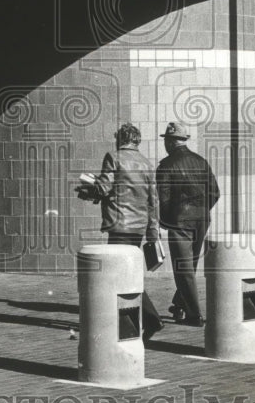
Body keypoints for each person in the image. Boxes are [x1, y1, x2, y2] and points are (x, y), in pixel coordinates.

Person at [92, 122, 165, 344]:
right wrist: (153, 231)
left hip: (119, 224)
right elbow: (154, 201)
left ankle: (149, 318)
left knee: (119, 274)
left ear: (121, 138)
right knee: (128, 273)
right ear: (137, 140)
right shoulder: (146, 163)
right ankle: (134, 319)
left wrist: (89, 186)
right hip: (139, 227)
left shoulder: (114, 157)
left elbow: (104, 188)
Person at [155, 121, 220, 327]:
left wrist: (166, 222)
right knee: (189, 265)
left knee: (183, 269)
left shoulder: (166, 165)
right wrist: (201, 210)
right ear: (183, 141)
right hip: (201, 219)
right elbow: (215, 192)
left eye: (166, 140)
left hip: (179, 222)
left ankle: (194, 315)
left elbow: (163, 199)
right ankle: (180, 303)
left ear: (172, 142)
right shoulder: (201, 161)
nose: (165, 144)